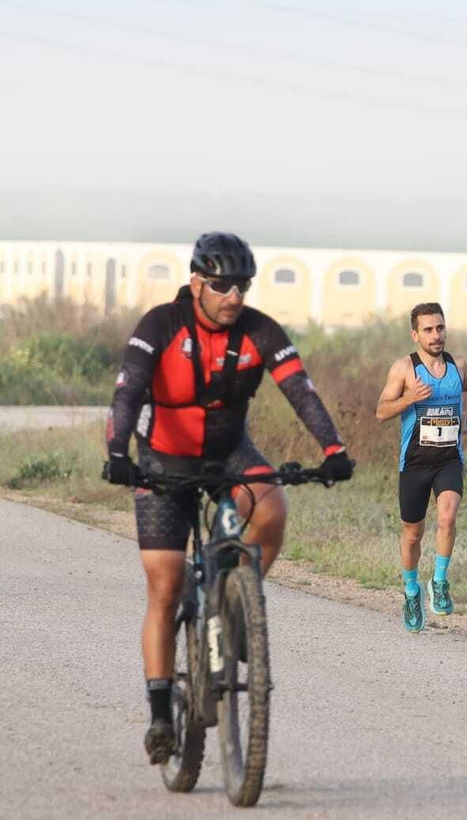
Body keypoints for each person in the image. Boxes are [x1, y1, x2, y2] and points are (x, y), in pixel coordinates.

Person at [101, 231, 354, 764]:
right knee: (166, 584)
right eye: (221, 285)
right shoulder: (161, 325)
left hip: (228, 452)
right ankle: (159, 714)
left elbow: (300, 390)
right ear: (196, 283)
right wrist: (117, 452)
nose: (234, 296)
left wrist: (333, 447)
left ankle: (239, 604)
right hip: (162, 458)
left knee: (272, 507)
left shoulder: (261, 330)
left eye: (242, 285)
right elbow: (127, 391)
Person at [373, 302, 467, 633]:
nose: (436, 335)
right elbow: (380, 411)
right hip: (416, 462)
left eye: (440, 328)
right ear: (415, 334)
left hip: (449, 459)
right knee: (412, 533)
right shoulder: (404, 369)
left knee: (448, 517)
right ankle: (410, 591)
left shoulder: (457, 365)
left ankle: (439, 582)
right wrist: (409, 399)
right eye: (428, 330)